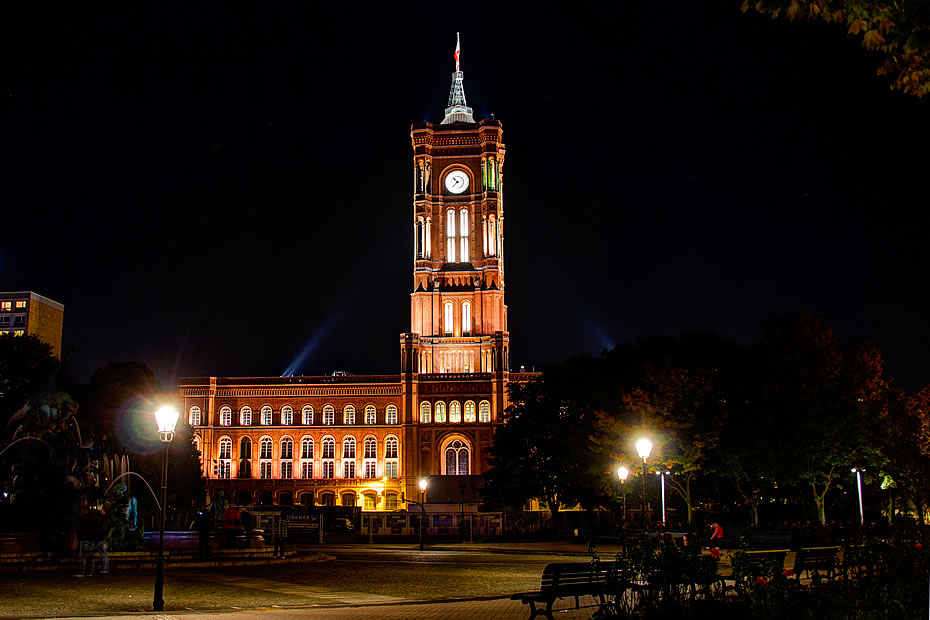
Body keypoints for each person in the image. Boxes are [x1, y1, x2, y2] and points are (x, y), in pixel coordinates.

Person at [74, 505, 109, 577]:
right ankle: (90, 571)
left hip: (85, 539)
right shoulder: (94, 519)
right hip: (92, 539)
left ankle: (81, 571)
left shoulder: (84, 519)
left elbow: (80, 529)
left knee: (83, 557)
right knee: (90, 556)